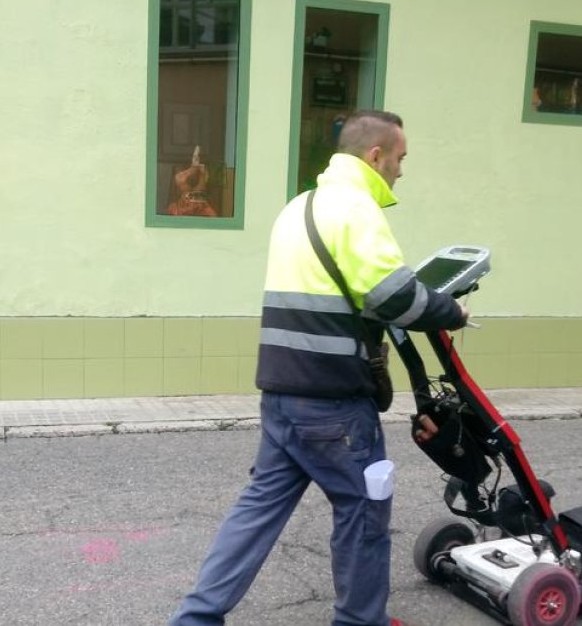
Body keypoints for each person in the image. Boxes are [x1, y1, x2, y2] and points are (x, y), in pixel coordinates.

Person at [169, 110, 469, 626]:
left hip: (282, 396)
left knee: (258, 510)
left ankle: (196, 618)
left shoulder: (298, 207)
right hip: (334, 407)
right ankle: (360, 620)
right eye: (400, 158)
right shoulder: (356, 210)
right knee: (363, 511)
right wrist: (451, 310)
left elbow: (334, 293)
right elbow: (391, 294)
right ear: (375, 156)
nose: (402, 170)